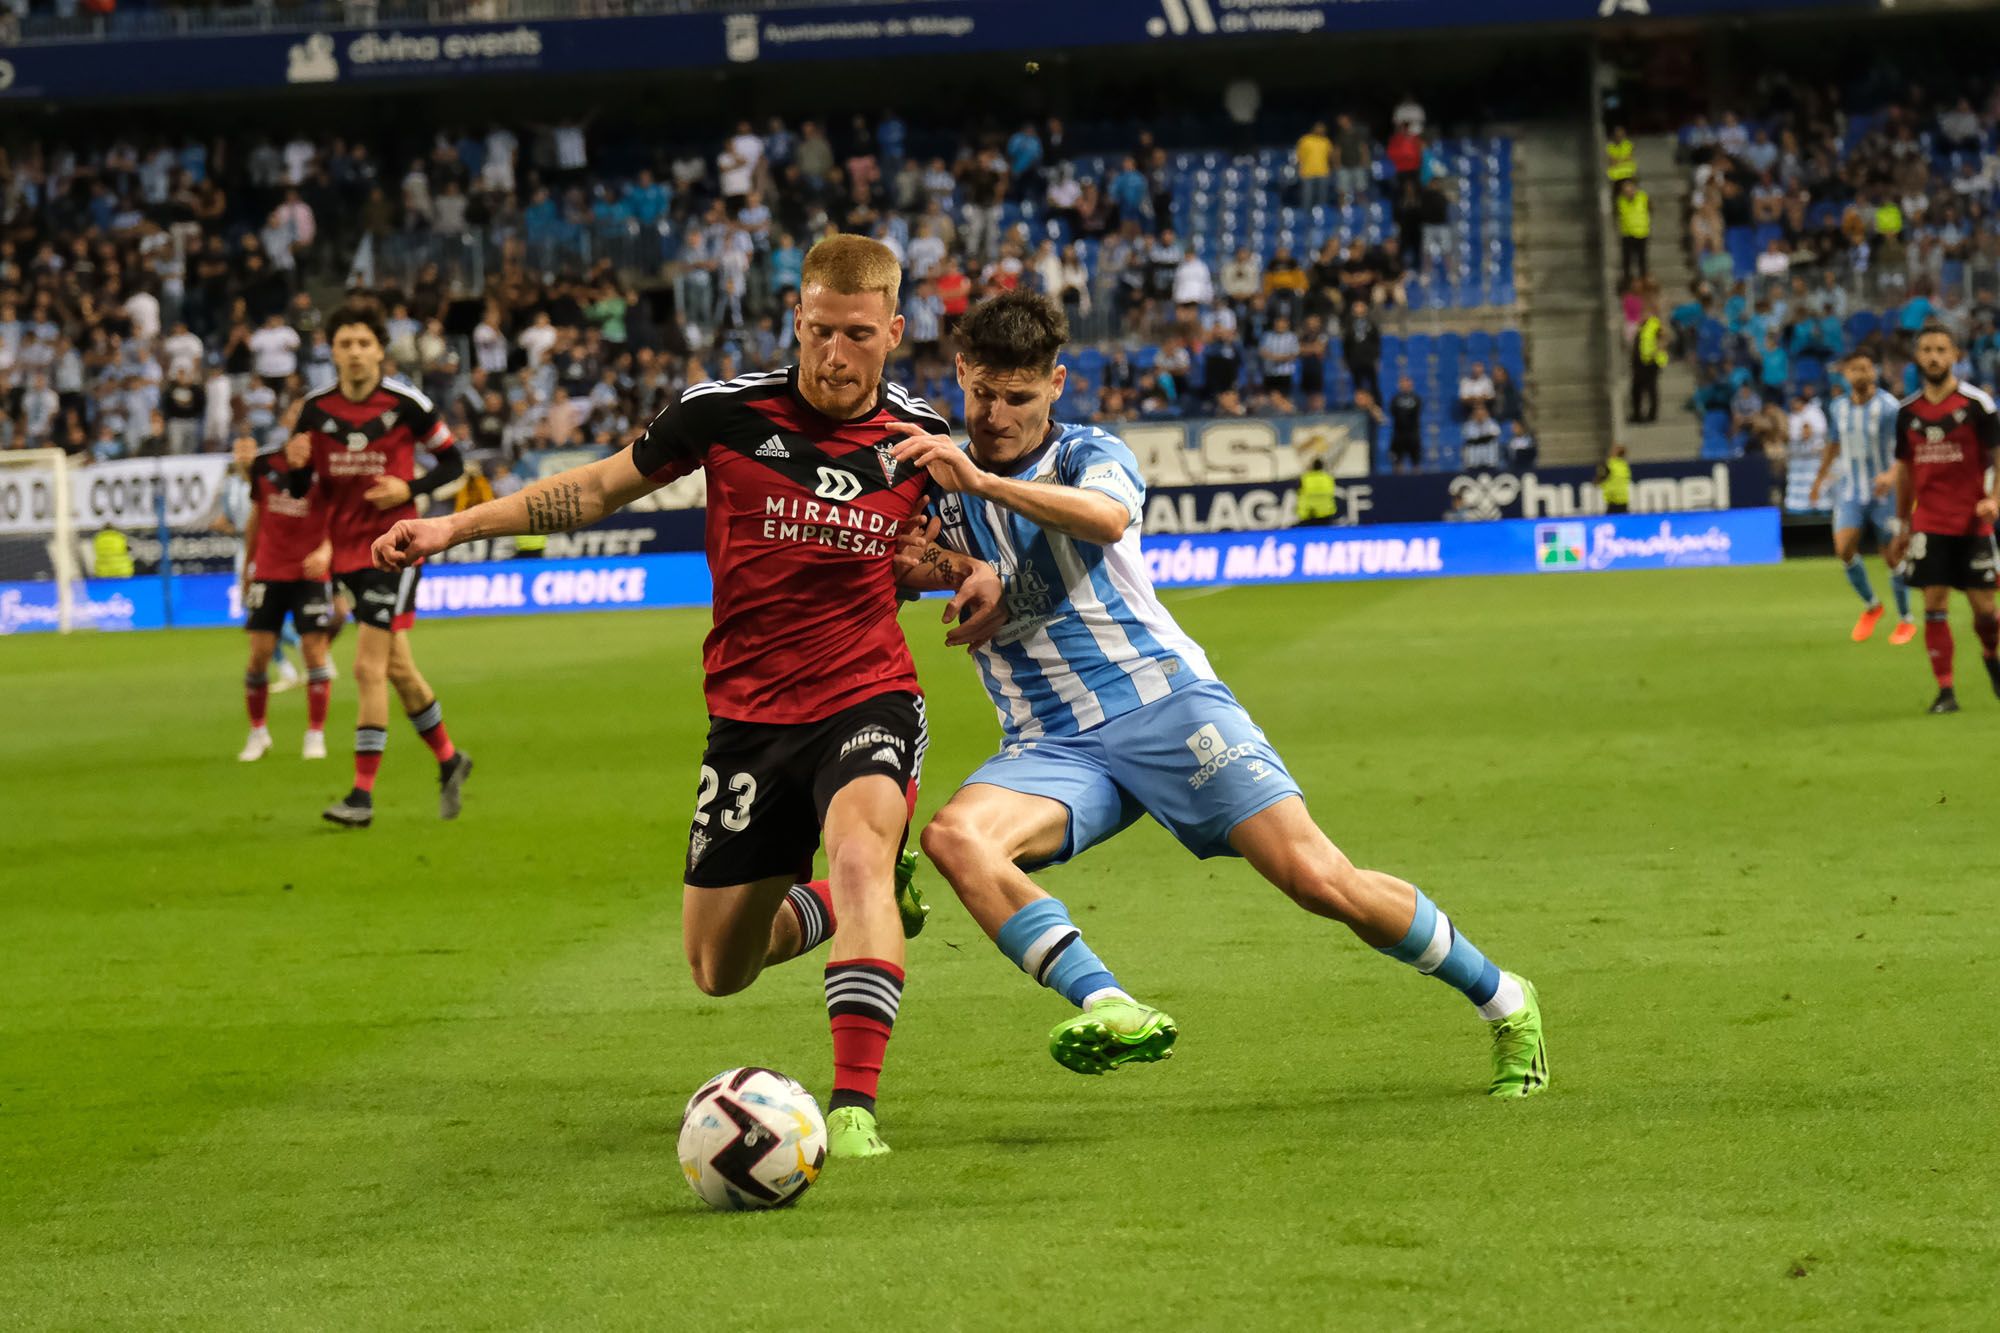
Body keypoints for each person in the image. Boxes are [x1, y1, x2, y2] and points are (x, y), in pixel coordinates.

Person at [369, 236, 1005, 1159]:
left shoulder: (920, 439)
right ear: (796, 317)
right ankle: (844, 903)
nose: (834, 353)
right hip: (747, 720)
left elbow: (915, 554)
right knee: (719, 967)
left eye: (858, 335)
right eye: (819, 330)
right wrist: (454, 525)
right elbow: (594, 488)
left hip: (867, 695)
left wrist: (970, 569)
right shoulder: (725, 412)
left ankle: (856, 1107)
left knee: (863, 850)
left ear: (895, 331)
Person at [889, 290, 1548, 1099]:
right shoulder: (938, 480)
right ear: (960, 372)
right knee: (958, 840)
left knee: (1318, 879)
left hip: (1167, 704)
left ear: (1057, 383)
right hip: (1049, 742)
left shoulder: (1087, 454)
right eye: (982, 393)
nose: (995, 415)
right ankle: (1110, 1003)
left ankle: (1506, 1000)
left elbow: (1102, 519)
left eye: (1018, 397)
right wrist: (956, 567)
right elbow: (900, 564)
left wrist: (982, 487)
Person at [280, 300, 473, 829]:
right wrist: (296, 470)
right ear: (332, 351)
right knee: (398, 670)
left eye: (365, 343)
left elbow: (455, 462)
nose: (356, 353)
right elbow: (304, 487)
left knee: (367, 667)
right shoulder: (314, 410)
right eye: (345, 344)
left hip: (397, 547)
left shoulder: (408, 403)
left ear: (380, 351)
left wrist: (408, 489)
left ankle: (361, 797)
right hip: (346, 553)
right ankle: (450, 759)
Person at [1883, 324, 2000, 714]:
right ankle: (1945, 692)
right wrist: (1901, 525)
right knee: (1934, 601)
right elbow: (1904, 471)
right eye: (1927, 350)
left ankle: (1990, 652)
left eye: (1941, 350)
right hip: (1929, 522)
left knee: (1986, 610)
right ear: (1918, 357)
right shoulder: (1907, 413)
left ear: (1955, 356)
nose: (1933, 356)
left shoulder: (1977, 404)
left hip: (1972, 521)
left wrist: (1995, 498)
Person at [234, 436, 338, 764]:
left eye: (307, 447)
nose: (300, 452)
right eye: (295, 445)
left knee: (314, 653)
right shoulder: (265, 468)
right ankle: (258, 733)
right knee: (259, 656)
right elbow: (257, 518)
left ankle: (315, 734)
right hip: (268, 571)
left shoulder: (328, 473)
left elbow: (340, 520)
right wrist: (246, 569)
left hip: (309, 575)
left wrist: (326, 551)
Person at [1809, 352, 1915, 645]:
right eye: (1855, 369)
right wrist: (1819, 479)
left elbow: (1907, 447)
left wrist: (1892, 475)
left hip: (1886, 493)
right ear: (1845, 375)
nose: (1862, 374)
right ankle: (1872, 605)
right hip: (1852, 490)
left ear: (1874, 372)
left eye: (1867, 368)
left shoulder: (1890, 407)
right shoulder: (1838, 407)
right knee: (1843, 548)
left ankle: (1906, 619)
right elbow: (1833, 443)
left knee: (1893, 555)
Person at [1630, 303, 1666, 423]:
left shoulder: (1654, 324)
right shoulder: (1642, 326)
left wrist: (1658, 355)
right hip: (1641, 362)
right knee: (1637, 390)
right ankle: (1637, 414)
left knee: (1651, 389)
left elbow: (1663, 339)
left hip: (1650, 362)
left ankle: (1651, 415)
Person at [1615, 178, 1650, 283]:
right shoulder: (1620, 200)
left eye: (1630, 187)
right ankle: (1628, 282)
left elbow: (1650, 210)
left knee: (1642, 260)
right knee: (1627, 261)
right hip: (1627, 234)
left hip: (1642, 233)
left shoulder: (1643, 197)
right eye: (1625, 188)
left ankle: (1643, 281)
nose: (1628, 190)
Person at [1388, 375, 1423, 473]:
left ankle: (1418, 484)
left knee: (1416, 463)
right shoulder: (1395, 399)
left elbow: (1416, 412)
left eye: (1406, 383)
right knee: (1397, 462)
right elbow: (1393, 413)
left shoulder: (1416, 398)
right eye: (1402, 383)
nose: (1404, 385)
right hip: (1398, 435)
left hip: (1413, 434)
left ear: (1411, 384)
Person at [1296, 456, 1336, 525]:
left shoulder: (1305, 478)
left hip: (1309, 513)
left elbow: (1297, 491)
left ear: (1312, 467)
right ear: (1322, 467)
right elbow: (1332, 492)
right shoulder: (1328, 478)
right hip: (1326, 513)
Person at [1598, 444, 1632, 514]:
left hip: (1613, 499)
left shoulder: (1609, 464)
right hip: (1623, 498)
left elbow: (1600, 478)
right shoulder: (1625, 466)